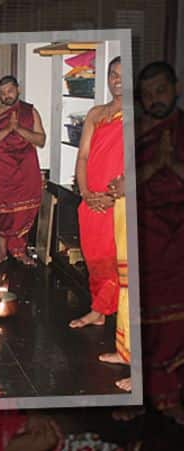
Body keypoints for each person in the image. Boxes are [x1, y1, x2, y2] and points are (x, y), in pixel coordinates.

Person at [123, 61, 184, 422]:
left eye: (160, 90)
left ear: (175, 87)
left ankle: (167, 398)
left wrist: (169, 164)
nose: (154, 100)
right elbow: (124, 182)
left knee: (172, 323)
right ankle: (135, 399)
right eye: (146, 94)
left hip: (177, 236)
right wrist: (154, 164)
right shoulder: (135, 132)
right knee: (138, 322)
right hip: (143, 233)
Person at [69, 57, 124, 329]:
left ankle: (107, 313)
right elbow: (83, 158)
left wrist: (112, 198)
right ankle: (100, 310)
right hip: (90, 200)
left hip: (120, 203)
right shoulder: (96, 114)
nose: (118, 80)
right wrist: (85, 192)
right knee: (94, 257)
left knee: (114, 259)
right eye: (113, 74)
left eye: (124, 75)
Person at [0, 76, 45, 265]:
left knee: (25, 210)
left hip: (26, 167)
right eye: (2, 93)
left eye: (9, 91)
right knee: (3, 211)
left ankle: (20, 251)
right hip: (2, 169)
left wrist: (18, 128)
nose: (6, 96)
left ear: (18, 89)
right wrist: (8, 129)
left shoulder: (30, 112)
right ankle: (2, 251)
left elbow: (40, 140)